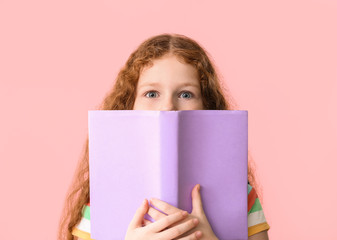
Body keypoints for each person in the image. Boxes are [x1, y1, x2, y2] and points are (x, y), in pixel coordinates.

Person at [58, 33, 270, 240]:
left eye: (185, 94)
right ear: (129, 104)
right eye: (151, 93)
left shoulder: (242, 196)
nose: (168, 107)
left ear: (208, 106)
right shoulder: (102, 199)